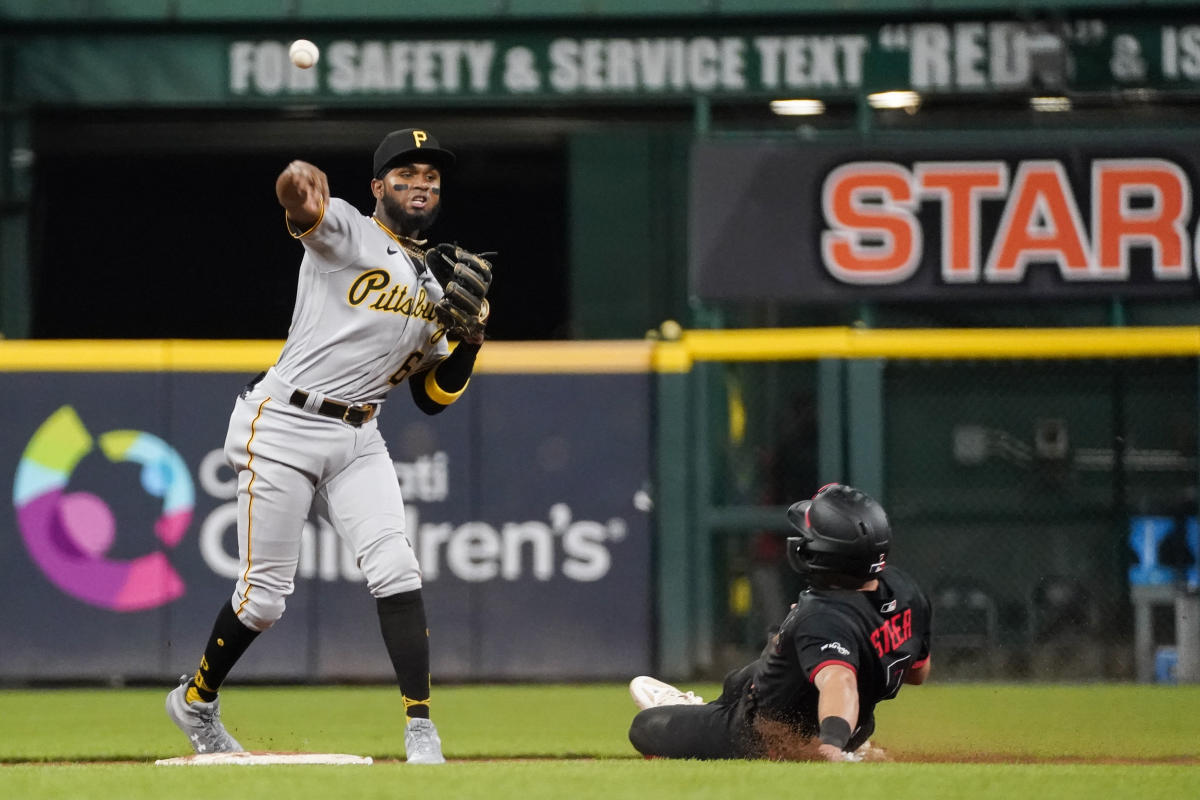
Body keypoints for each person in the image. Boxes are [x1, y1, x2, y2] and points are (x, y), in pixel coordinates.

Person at [165, 127, 494, 765]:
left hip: (358, 436)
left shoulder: (436, 285)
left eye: (430, 176)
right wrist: (297, 180)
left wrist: (474, 340)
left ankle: (421, 730)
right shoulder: (347, 228)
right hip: (284, 424)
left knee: (396, 568)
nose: (420, 183)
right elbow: (302, 207)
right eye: (405, 174)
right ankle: (196, 700)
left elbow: (433, 398)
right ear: (377, 188)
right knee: (264, 599)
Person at [628, 483, 932, 762]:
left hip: (767, 734)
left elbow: (840, 681)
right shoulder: (903, 590)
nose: (803, 540)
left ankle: (692, 715)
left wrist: (831, 744)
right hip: (849, 720)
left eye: (809, 537)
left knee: (645, 727)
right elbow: (917, 673)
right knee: (744, 676)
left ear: (824, 554)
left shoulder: (822, 615)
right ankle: (704, 712)